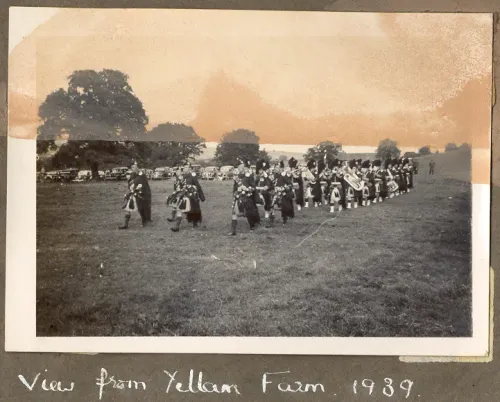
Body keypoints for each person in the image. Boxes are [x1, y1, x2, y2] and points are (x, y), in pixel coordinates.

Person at [169, 165, 206, 232]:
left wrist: (201, 196)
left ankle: (195, 223)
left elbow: (198, 186)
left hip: (192, 197)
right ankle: (177, 227)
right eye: (184, 167)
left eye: (186, 167)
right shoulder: (181, 177)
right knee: (179, 209)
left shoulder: (192, 176)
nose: (184, 169)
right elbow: (178, 187)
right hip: (182, 196)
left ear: (189, 169)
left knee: (193, 211)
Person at [230, 162, 260, 235]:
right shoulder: (238, 177)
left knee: (249, 213)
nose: (241, 168)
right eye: (239, 167)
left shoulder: (249, 176)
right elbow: (235, 187)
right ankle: (233, 230)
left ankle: (252, 227)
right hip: (238, 196)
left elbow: (253, 187)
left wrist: (248, 189)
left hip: (247, 197)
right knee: (234, 212)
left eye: (242, 167)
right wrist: (235, 193)